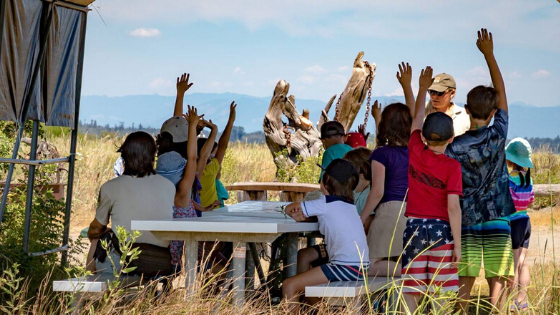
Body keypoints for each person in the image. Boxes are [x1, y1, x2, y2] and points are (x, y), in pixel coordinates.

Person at [445, 29, 516, 312]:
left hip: (468, 219)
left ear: (465, 109)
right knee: (497, 281)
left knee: (465, 279)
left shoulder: (454, 147)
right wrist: (490, 55)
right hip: (498, 216)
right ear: (494, 113)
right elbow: (503, 94)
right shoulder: (498, 134)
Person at [401, 66, 463, 313]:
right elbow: (453, 208)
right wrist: (457, 244)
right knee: (441, 295)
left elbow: (416, 118)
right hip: (441, 232)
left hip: (413, 228)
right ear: (451, 139)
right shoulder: (452, 167)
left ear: (424, 137)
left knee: (412, 289)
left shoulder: (415, 148)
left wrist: (421, 89)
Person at [282, 159, 369, 313]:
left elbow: (290, 209)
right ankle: (319, 311)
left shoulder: (324, 203)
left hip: (344, 267)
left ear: (325, 182)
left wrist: (299, 214)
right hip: (360, 266)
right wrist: (306, 215)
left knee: (289, 285)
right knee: (305, 268)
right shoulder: (349, 205)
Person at [86, 131, 176, 278]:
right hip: (160, 261)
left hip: (125, 261)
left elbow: (96, 228)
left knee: (98, 239)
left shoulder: (111, 187)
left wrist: (94, 234)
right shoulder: (169, 186)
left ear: (124, 156)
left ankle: (93, 294)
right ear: (153, 156)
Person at [360, 63, 414, 278]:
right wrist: (408, 87)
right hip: (413, 211)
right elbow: (414, 115)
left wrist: (362, 217)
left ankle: (412, 273)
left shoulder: (381, 154)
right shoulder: (415, 151)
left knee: (369, 265)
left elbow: (378, 192)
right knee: (402, 259)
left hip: (389, 212)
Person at [506, 138, 535, 311]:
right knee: (523, 262)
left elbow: (508, 200)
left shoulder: (510, 179)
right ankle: (522, 300)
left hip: (514, 222)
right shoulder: (528, 179)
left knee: (514, 264)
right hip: (526, 221)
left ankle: (511, 300)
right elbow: (531, 201)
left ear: (511, 160)